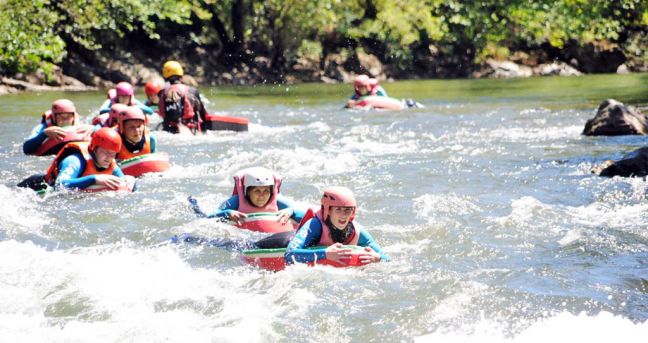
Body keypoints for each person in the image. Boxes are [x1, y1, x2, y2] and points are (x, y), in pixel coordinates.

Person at [284, 186, 389, 265]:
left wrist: (377, 258)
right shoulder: (314, 225)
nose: (344, 216)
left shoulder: (356, 231)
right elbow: (289, 255)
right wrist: (325, 253)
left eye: (348, 210)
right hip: (286, 240)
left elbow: (387, 258)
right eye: (338, 210)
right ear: (328, 210)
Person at [204, 167, 305, 225]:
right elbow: (209, 218)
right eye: (257, 191)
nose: (262, 196)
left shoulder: (277, 201)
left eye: (266, 191)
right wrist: (227, 213)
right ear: (247, 191)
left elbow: (306, 215)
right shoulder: (236, 201)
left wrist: (291, 211)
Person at [44, 128, 128, 191]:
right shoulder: (75, 160)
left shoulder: (111, 164)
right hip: (40, 185)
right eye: (105, 152)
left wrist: (129, 181)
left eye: (113, 153)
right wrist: (94, 179)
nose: (109, 158)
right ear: (94, 148)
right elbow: (59, 185)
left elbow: (123, 181)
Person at [23, 99, 92, 156]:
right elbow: (26, 149)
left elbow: (99, 131)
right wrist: (44, 134)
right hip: (51, 153)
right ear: (53, 116)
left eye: (68, 115)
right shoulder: (43, 127)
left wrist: (92, 129)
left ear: (73, 115)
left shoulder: (80, 124)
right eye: (61, 116)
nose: (65, 119)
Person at [157, 60, 207, 134]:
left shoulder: (161, 93)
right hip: (189, 131)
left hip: (167, 130)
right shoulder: (192, 91)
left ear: (165, 75)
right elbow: (203, 113)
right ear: (181, 73)